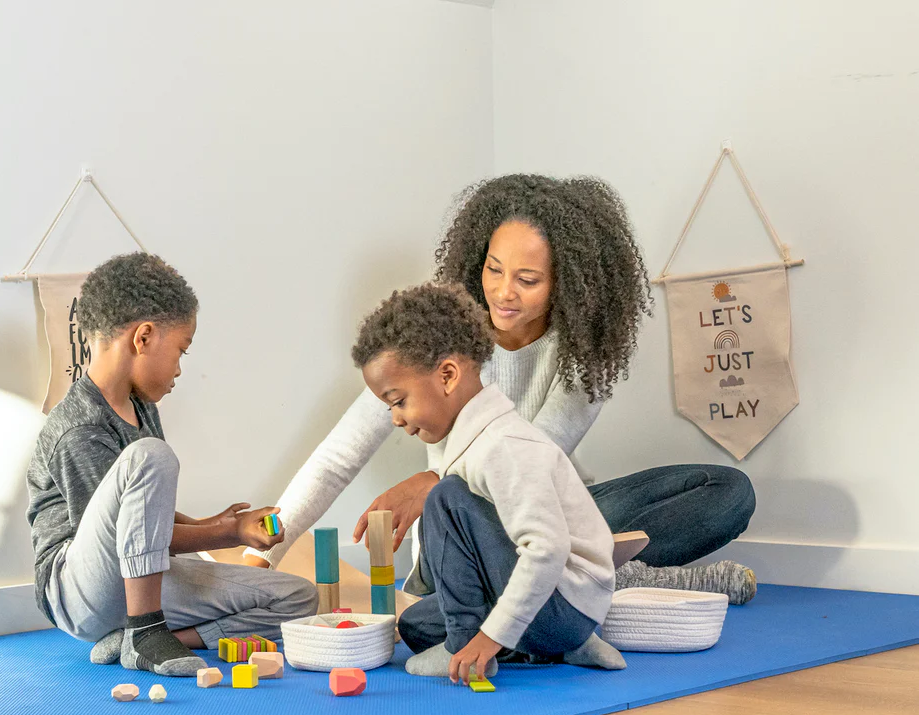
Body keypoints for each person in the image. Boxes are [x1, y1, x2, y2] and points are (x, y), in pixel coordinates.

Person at [244, 175, 757, 606]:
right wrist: (261, 552)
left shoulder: (585, 350)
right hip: (469, 531)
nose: (502, 291)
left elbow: (531, 462)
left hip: (548, 515)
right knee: (466, 515)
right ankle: (603, 585)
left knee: (729, 492)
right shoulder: (437, 341)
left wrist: (431, 479)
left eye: (528, 279)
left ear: (567, 283)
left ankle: (593, 580)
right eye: (494, 269)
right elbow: (338, 456)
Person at [26, 253, 317, 677]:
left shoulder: (141, 407)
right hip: (80, 591)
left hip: (135, 580)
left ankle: (141, 638)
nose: (180, 368)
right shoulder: (79, 426)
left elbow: (141, 517)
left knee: (297, 598)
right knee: (153, 455)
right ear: (143, 338)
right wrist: (228, 532)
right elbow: (117, 539)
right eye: (181, 350)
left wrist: (205, 522)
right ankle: (144, 630)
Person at [353, 282, 622, 681]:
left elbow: (547, 548)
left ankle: (468, 649)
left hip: (564, 604)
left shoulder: (503, 445)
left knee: (444, 496)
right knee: (416, 626)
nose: (395, 418)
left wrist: (486, 638)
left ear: (447, 375)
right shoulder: (475, 440)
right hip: (563, 610)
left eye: (399, 401)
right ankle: (561, 648)